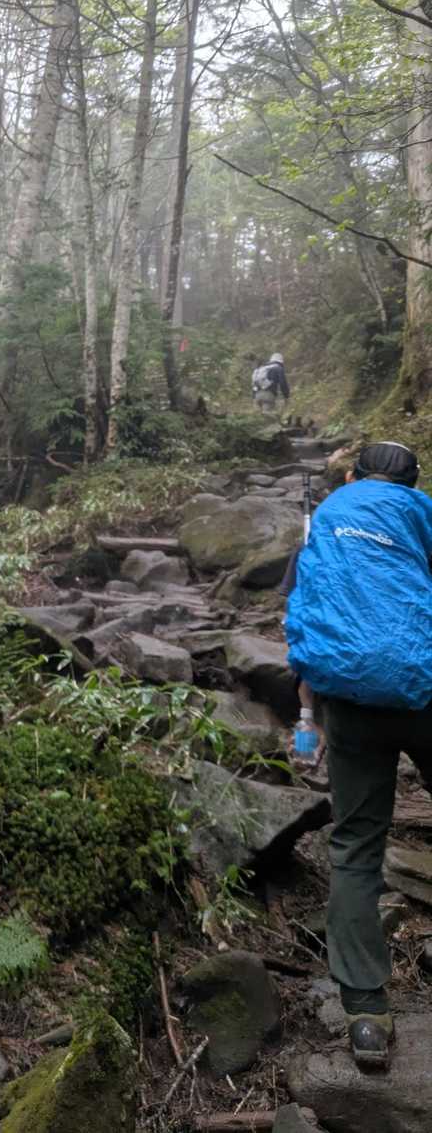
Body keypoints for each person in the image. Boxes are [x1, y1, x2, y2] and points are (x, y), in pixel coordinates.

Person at [285, 441, 432, 1070]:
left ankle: (366, 1015)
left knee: (355, 846)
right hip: (424, 690)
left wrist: (306, 721)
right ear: (413, 484)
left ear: (352, 476)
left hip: (346, 699)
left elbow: (304, 621)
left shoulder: (327, 517)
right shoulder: (422, 514)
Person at [251, 352, 290, 417]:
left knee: (259, 417)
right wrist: (286, 395)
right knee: (268, 415)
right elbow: (283, 383)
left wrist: (253, 397)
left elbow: (254, 382)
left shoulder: (261, 368)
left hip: (257, 395)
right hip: (268, 395)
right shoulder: (278, 368)